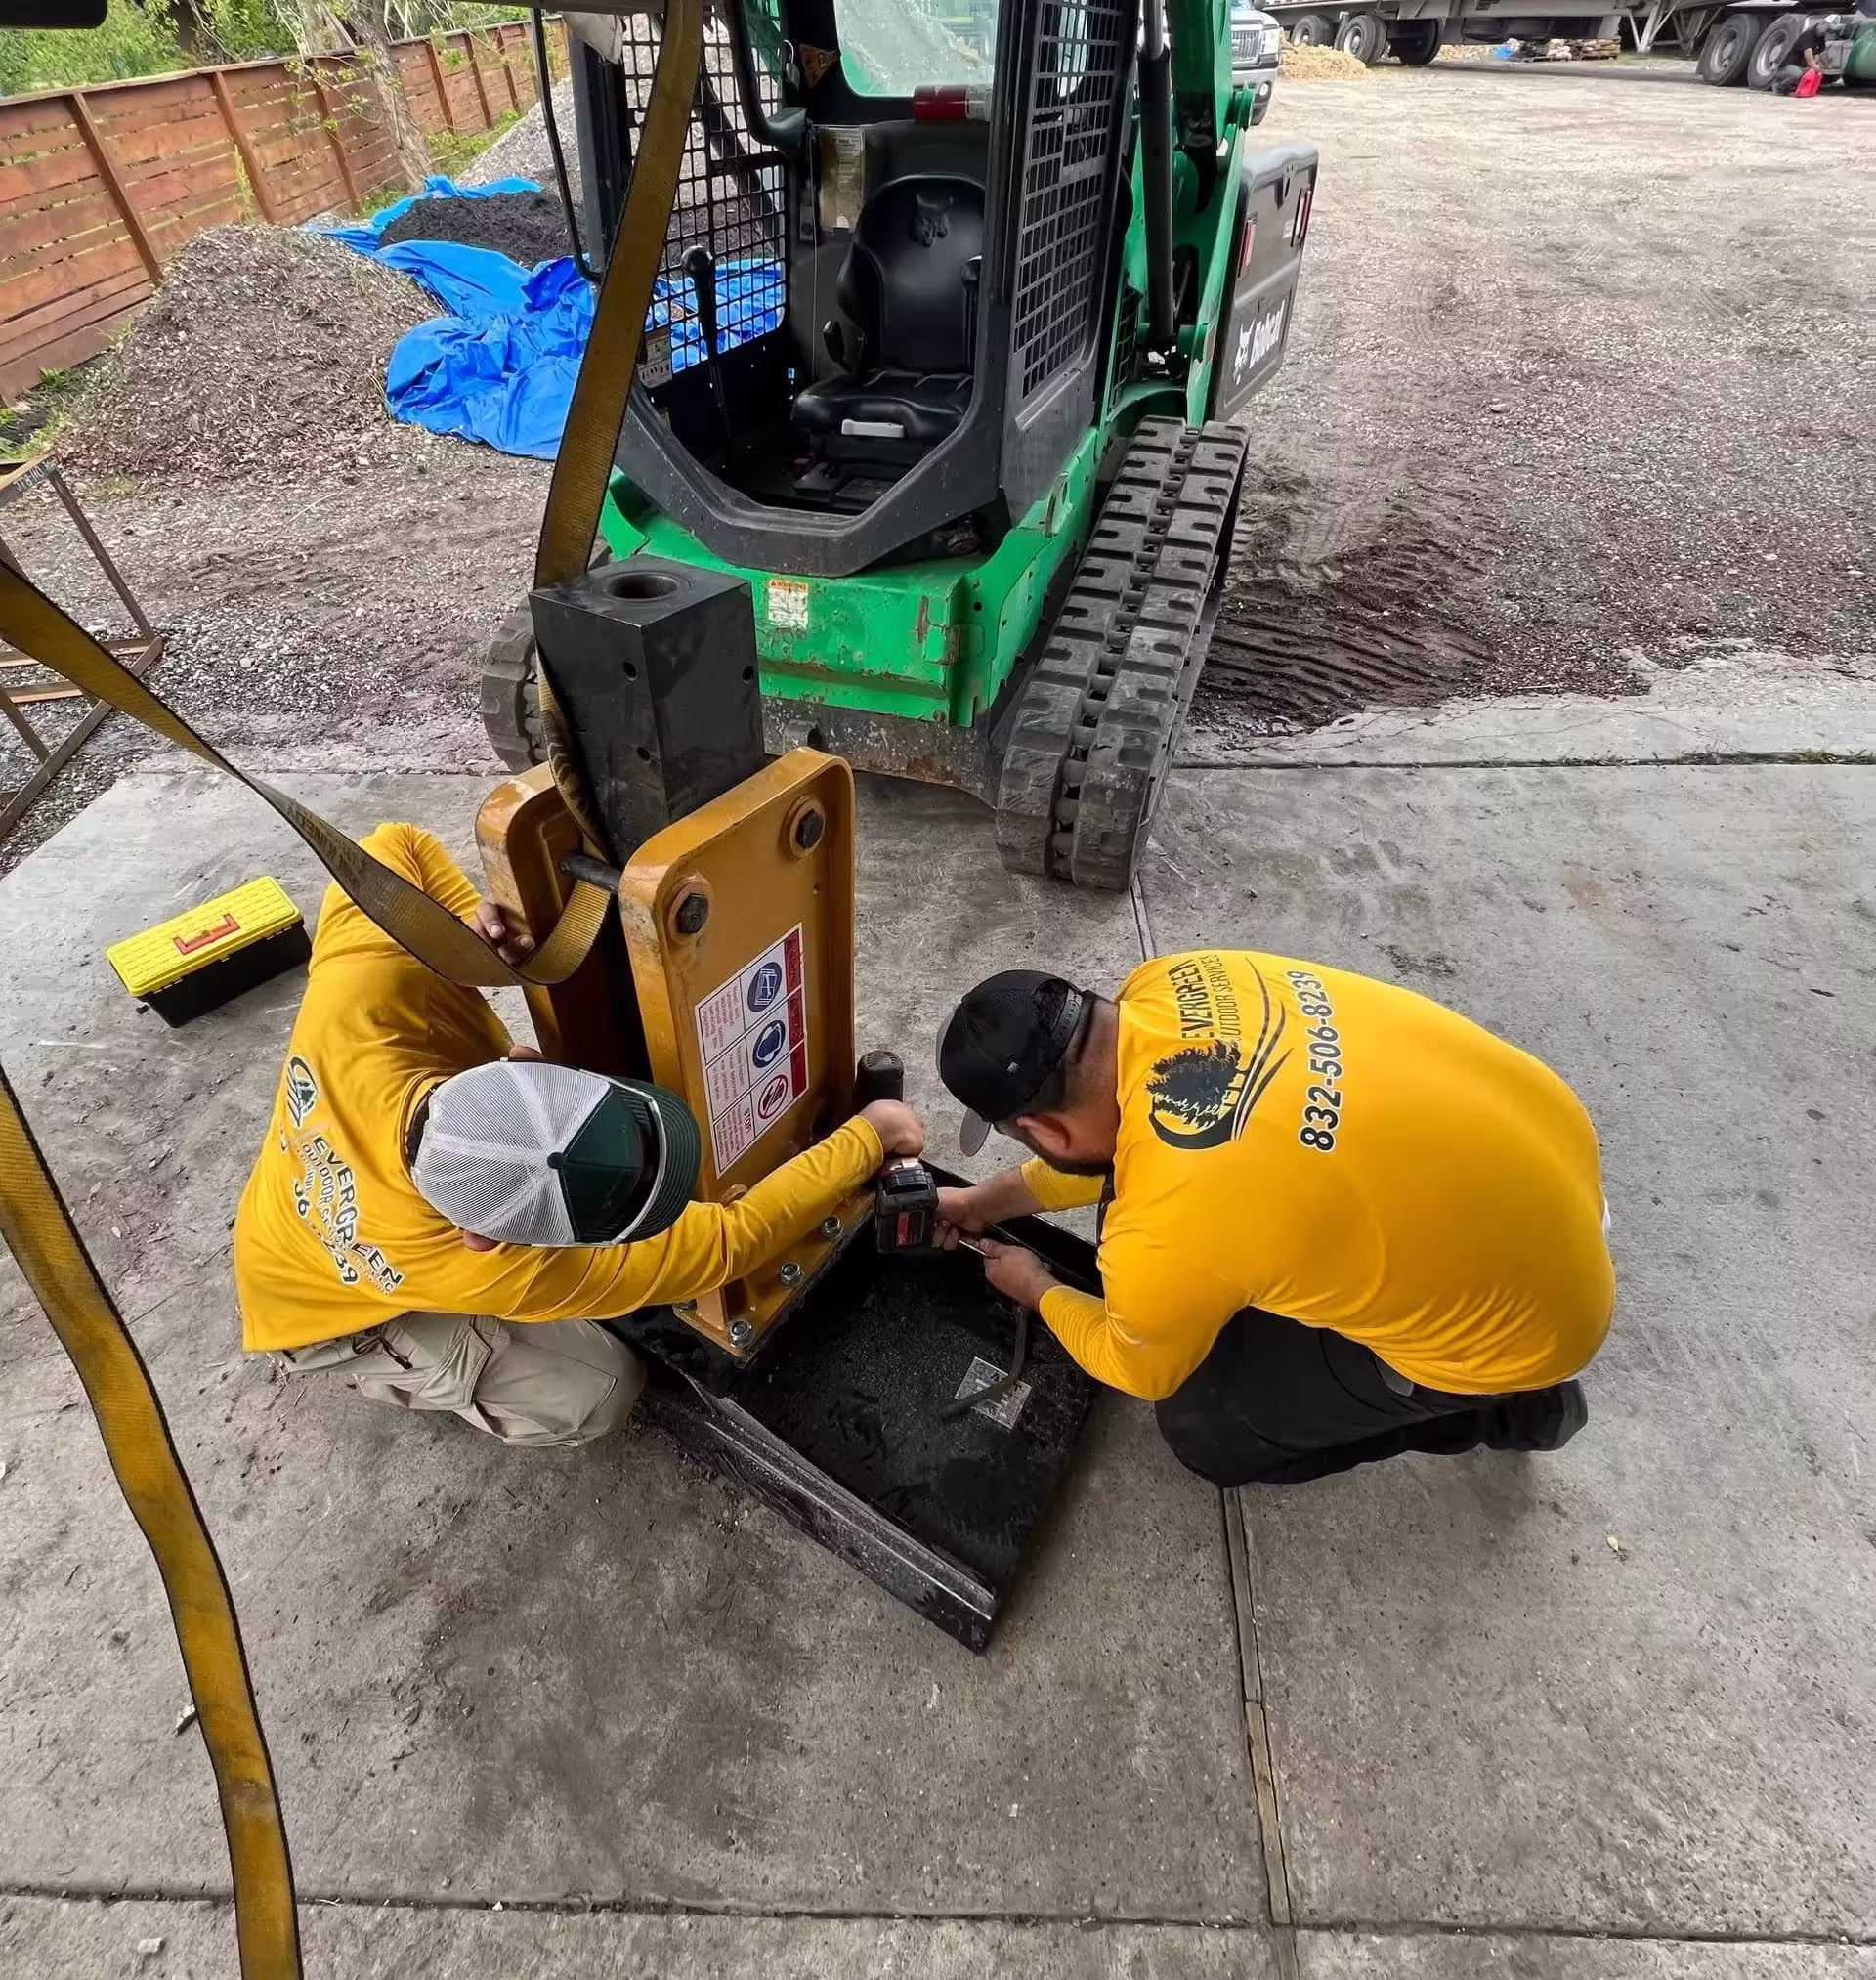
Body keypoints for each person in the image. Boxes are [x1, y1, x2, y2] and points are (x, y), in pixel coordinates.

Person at [234, 823, 920, 1448]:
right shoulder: (484, 1264)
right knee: (598, 1390)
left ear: (523, 1068)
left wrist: (471, 941)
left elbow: (393, 841)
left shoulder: (366, 996)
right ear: (487, 1235)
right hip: (321, 1310)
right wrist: (870, 1134)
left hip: (283, 1210)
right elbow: (725, 1244)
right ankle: (388, 1361)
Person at [933, 954, 1614, 1487]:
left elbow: (1136, 1369)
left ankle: (1515, 1406)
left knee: (1206, 1426)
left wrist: (1036, 1285)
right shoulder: (1172, 982)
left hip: (1529, 1326)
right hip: (1544, 1156)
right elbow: (1108, 1148)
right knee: (1181, 1231)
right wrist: (982, 1204)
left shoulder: (1169, 1224)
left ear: (1041, 1131)